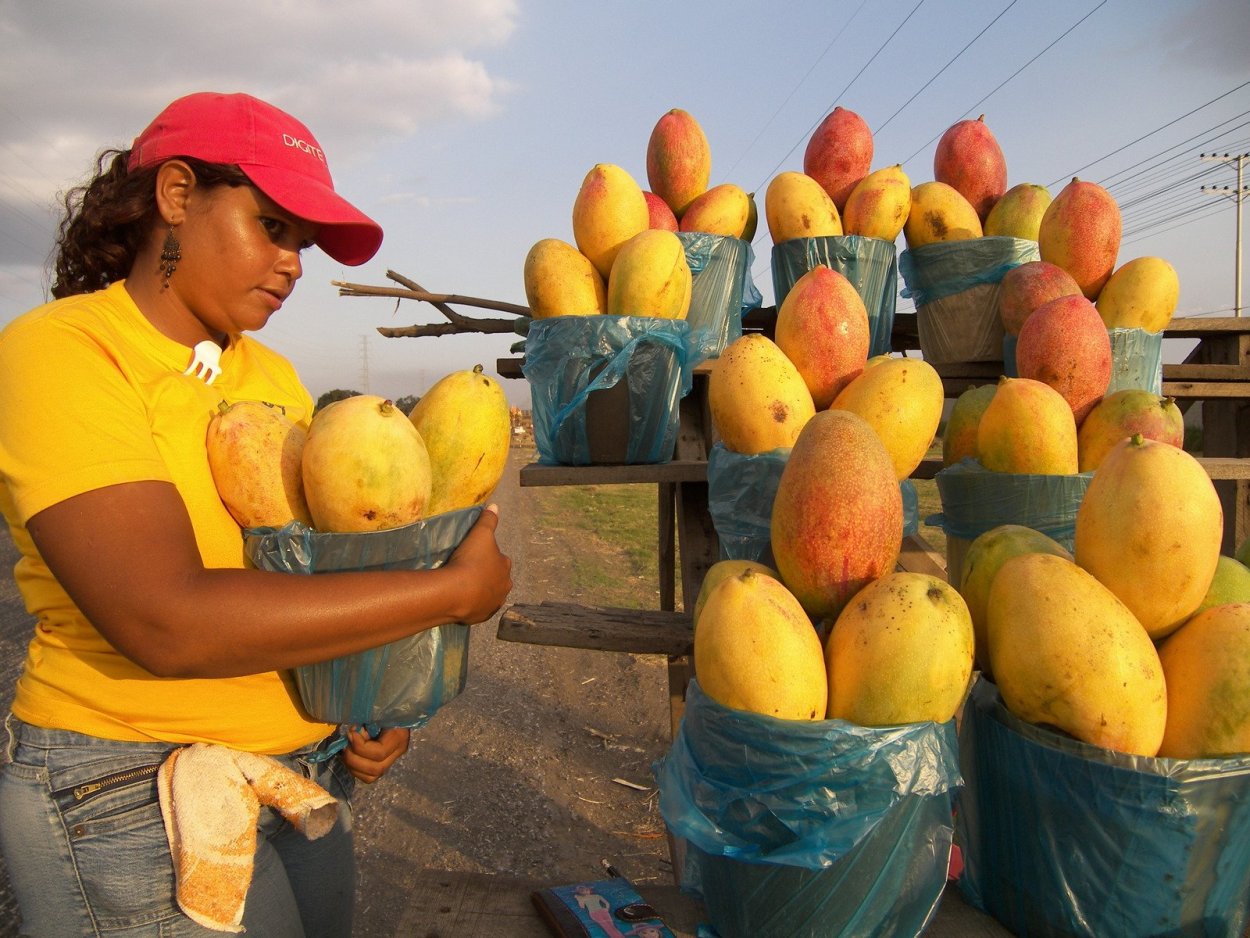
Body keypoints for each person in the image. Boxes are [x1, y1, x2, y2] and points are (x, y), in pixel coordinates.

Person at [0, 91, 513, 936]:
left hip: (303, 769)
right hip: (130, 784)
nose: (293, 265)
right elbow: (166, 620)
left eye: (300, 244)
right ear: (175, 195)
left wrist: (371, 702)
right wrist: (451, 594)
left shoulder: (271, 378)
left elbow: (318, 571)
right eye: (272, 228)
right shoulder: (65, 350)